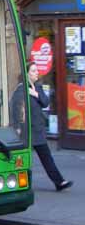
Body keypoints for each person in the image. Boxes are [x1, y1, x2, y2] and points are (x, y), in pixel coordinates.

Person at [24, 61, 73, 191]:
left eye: (36, 70)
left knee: (46, 157)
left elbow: (45, 102)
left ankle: (59, 182)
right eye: (33, 71)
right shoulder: (21, 88)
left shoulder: (38, 87)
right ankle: (21, 184)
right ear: (27, 73)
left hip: (37, 130)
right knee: (22, 160)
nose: (37, 73)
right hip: (26, 131)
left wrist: (36, 94)